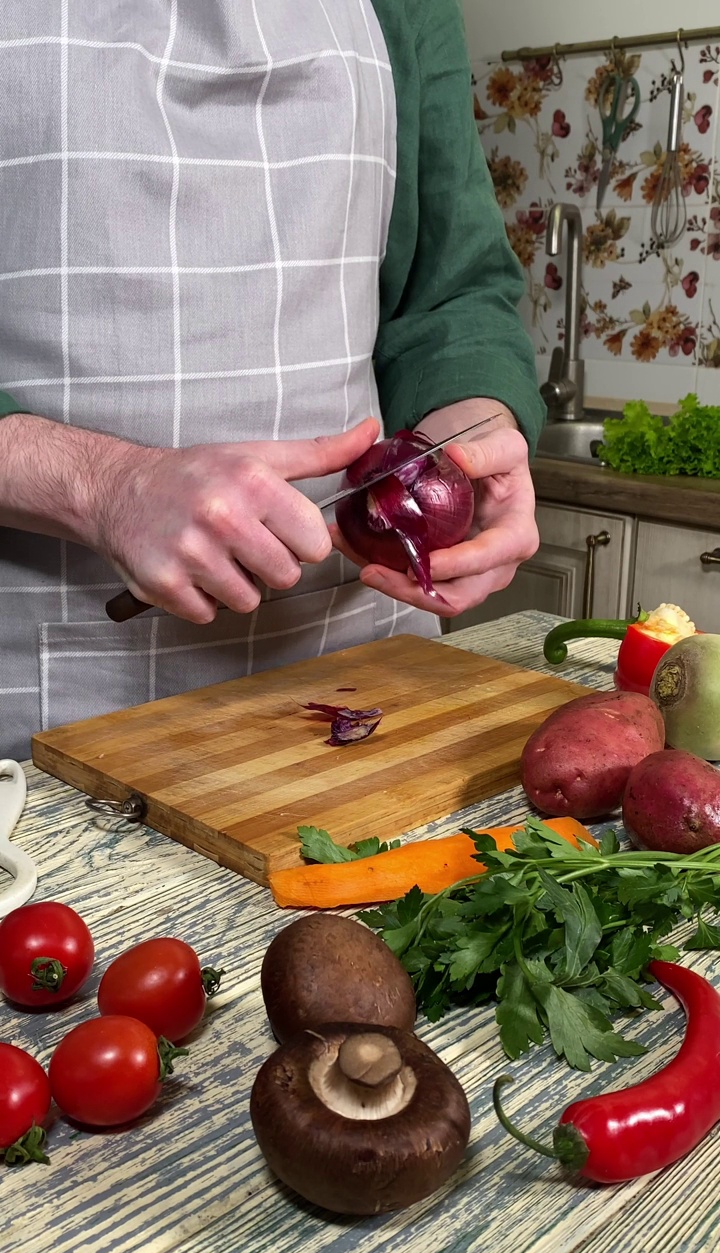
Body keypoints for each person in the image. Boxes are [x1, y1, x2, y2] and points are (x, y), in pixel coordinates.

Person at [0, 0, 544, 762]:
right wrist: (102, 486)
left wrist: (477, 428)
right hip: (33, 667)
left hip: (364, 649)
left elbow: (454, 290)